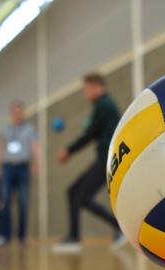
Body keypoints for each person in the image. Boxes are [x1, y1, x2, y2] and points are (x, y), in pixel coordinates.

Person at [52, 73, 126, 253]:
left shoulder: (104, 105)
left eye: (86, 88)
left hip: (107, 160)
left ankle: (119, 227)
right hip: (103, 159)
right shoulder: (101, 106)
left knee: (82, 197)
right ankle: (74, 237)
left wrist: (68, 150)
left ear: (96, 87)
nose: (85, 93)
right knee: (73, 191)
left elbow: (89, 135)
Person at [0, 101, 40, 247]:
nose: (17, 115)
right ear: (11, 114)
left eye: (20, 112)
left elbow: (35, 147)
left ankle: (21, 237)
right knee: (5, 201)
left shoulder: (30, 129)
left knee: (23, 202)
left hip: (23, 168)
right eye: (15, 112)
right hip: (7, 168)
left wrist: (37, 163)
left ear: (23, 113)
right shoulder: (5, 130)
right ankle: (4, 235)